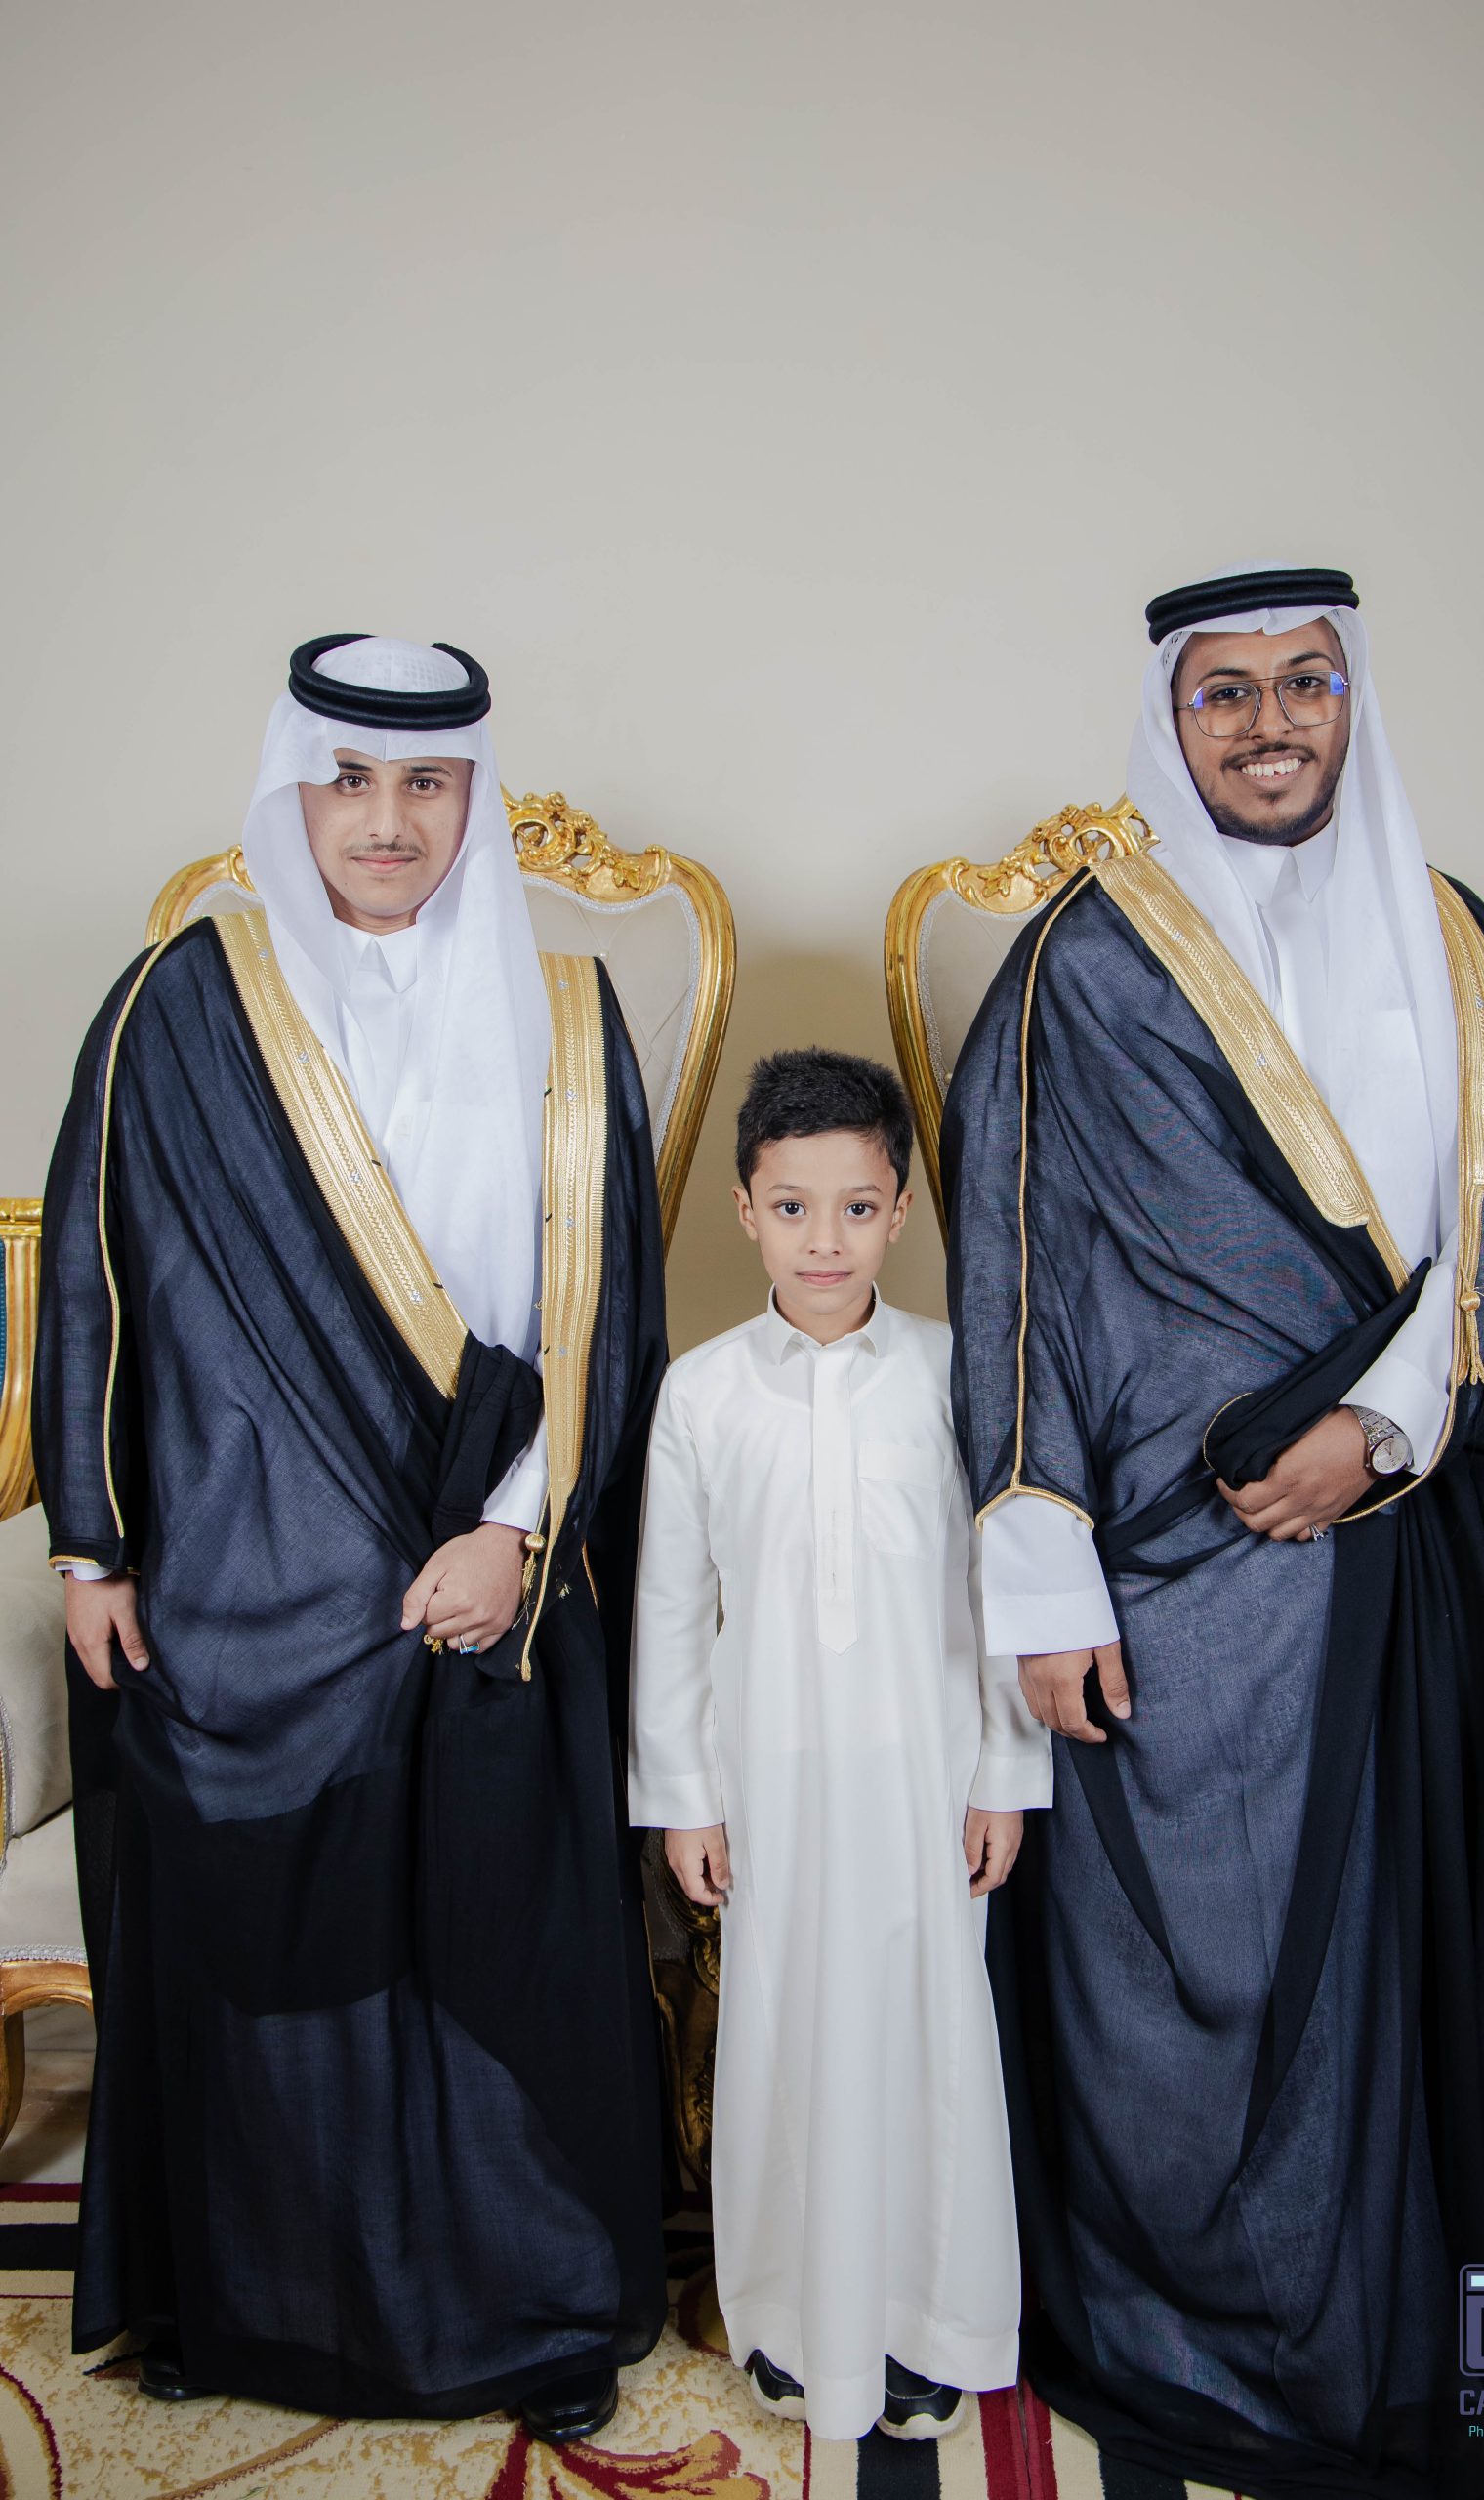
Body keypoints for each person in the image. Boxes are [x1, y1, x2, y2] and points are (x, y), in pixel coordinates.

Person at [943, 568, 1484, 2496]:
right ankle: (1222, 2353)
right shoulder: (1081, 964)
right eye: (1226, 693)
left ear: (1352, 701)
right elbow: (1014, 1283)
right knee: (1215, 1994)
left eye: (1305, 683)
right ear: (1168, 721)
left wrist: (1379, 1429)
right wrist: (1042, 1585)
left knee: (1460, 1985)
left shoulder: (1457, 944)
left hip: (1411, 1543)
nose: (1270, 723)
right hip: (1181, 1586)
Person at [34, 634, 667, 2440]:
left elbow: (608, 1315)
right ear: (291, 791)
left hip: (488, 1566)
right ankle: (250, 2301)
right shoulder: (178, 1004)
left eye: (428, 783)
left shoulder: (567, 1015)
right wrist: (91, 1546)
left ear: (475, 796)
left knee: (499, 1939)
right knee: (254, 1945)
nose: (387, 822)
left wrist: (515, 1533)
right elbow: (89, 1278)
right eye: (350, 780)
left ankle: (526, 2307)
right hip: (243, 1578)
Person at [630, 1048, 1050, 2442]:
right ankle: (791, 2315)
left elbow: (997, 1590)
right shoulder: (701, 1394)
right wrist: (685, 1798)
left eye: (859, 1208)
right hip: (769, 1778)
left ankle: (932, 2319)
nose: (826, 1240)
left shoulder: (954, 1374)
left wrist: (1006, 1772)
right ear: (745, 1210)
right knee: (780, 2038)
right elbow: (672, 1612)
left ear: (903, 1212)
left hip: (926, 1772)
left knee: (931, 2035)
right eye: (794, 1207)